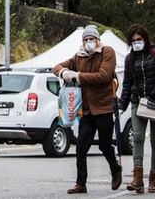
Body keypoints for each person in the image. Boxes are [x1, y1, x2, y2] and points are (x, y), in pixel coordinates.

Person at [53, 25, 122, 194]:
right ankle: (81, 183)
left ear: (98, 40)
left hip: (104, 108)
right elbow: (56, 67)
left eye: (92, 39)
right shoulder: (79, 57)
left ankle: (115, 169)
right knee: (81, 146)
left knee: (105, 145)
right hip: (87, 111)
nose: (89, 42)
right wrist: (63, 72)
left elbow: (104, 76)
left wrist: (78, 76)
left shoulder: (108, 52)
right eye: (85, 40)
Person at [118, 24, 155, 194]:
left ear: (145, 39)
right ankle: (137, 178)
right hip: (138, 101)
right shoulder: (130, 59)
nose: (136, 43)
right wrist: (122, 106)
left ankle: (153, 178)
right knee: (137, 137)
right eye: (133, 40)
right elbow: (127, 84)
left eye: (139, 40)